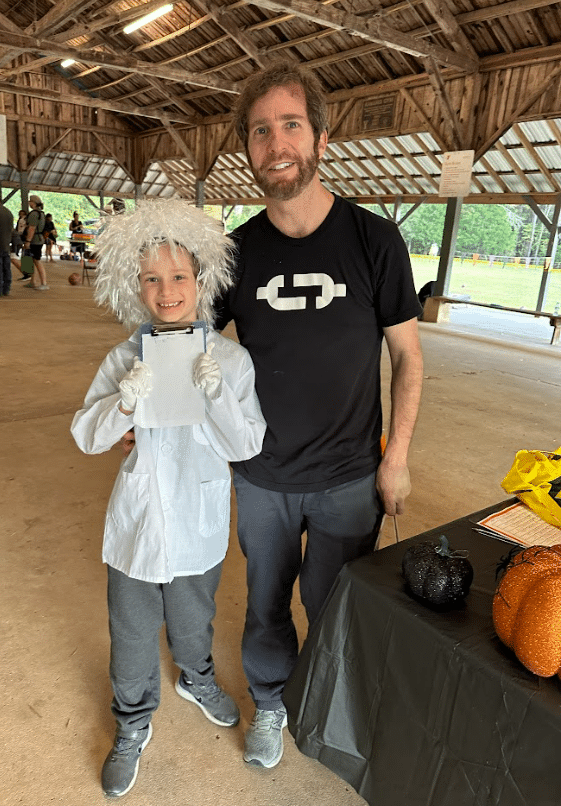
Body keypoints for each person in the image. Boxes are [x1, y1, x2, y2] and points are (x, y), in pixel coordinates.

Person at [214, 61, 424, 769]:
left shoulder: (373, 241)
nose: (276, 144)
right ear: (248, 149)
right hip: (262, 475)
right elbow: (191, 349)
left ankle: (327, 702)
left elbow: (408, 359)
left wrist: (394, 458)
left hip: (346, 477)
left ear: (322, 138)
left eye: (290, 126)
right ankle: (270, 703)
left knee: (334, 604)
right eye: (260, 132)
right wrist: (145, 411)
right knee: (267, 601)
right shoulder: (234, 252)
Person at [70, 199, 266, 799]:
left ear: (202, 280)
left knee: (192, 616)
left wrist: (216, 395)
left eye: (179, 275)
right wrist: (123, 401)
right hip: (136, 524)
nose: (167, 290)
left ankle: (197, 678)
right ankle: (131, 724)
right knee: (130, 630)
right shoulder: (123, 359)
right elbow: (86, 436)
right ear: (135, 286)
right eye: (151, 278)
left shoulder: (230, 361)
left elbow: (247, 444)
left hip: (199, 518)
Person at [22, 195, 49, 290]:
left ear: (33, 202)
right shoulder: (41, 213)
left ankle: (44, 283)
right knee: (33, 260)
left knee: (37, 260)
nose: (29, 203)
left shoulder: (33, 214)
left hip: (35, 240)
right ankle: (33, 281)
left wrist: (28, 241)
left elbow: (32, 228)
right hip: (40, 238)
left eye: (30, 201)